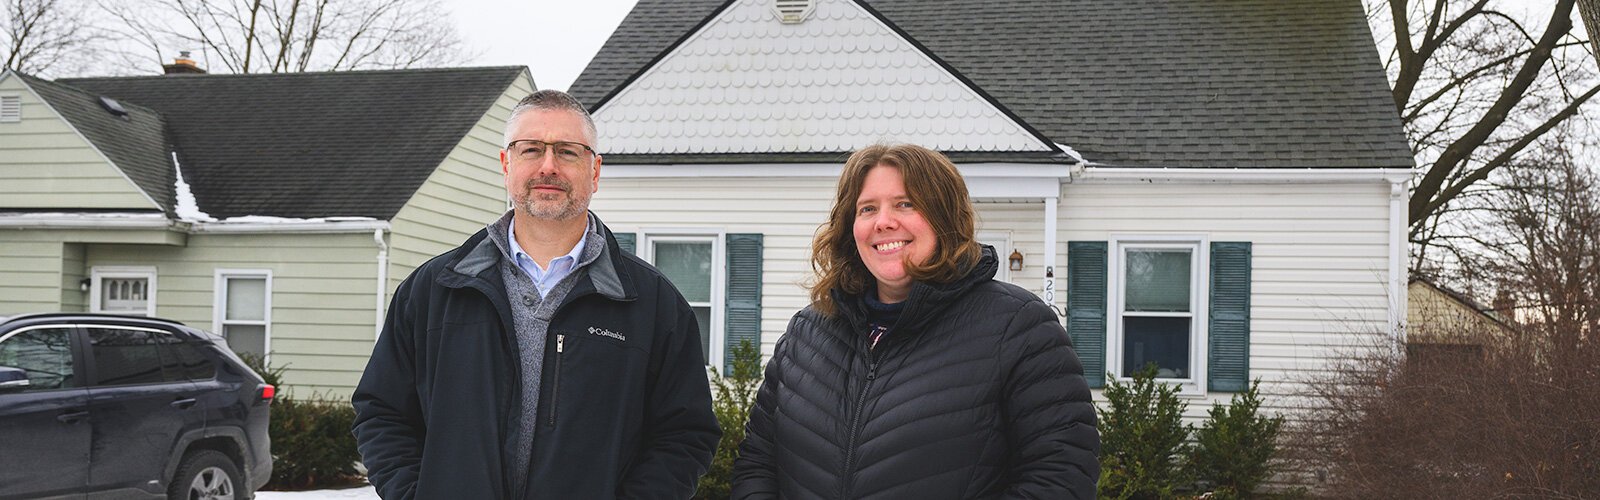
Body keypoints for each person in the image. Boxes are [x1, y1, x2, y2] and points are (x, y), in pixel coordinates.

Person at [351, 90, 720, 500]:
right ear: (506, 164)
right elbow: (381, 412)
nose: (548, 166)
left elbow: (685, 434)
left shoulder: (654, 305)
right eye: (530, 150)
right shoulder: (432, 291)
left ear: (595, 171)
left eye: (567, 151)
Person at [731, 144, 1100, 499]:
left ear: (944, 217)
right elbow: (757, 465)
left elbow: (1061, 477)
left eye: (905, 204)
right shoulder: (806, 335)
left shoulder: (1019, 327)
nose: (884, 222)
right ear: (850, 227)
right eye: (867, 209)